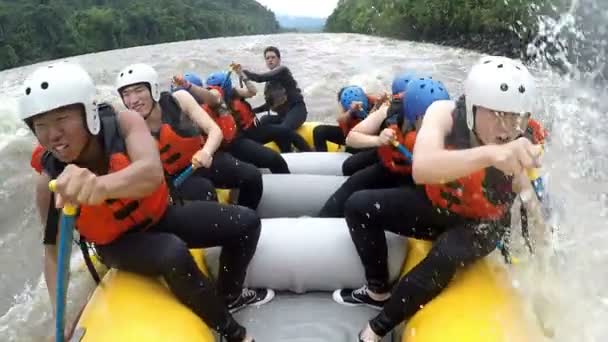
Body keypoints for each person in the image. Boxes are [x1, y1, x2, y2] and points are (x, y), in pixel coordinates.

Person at [21, 62, 273, 342]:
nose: (52, 135)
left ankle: (230, 295)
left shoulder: (125, 123)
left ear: (89, 111)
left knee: (246, 223)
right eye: (40, 125)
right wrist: (61, 318)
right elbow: (54, 252)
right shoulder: (50, 181)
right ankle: (233, 332)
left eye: (61, 119)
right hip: (116, 244)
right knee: (172, 251)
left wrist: (99, 185)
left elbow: (151, 174)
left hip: (160, 214)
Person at [331, 56, 546, 342]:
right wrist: (491, 154)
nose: (507, 127)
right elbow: (421, 169)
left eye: (515, 115)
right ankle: (377, 289)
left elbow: (531, 206)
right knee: (358, 206)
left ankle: (376, 329)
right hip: (438, 206)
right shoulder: (443, 113)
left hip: (482, 225)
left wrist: (541, 246)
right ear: (472, 108)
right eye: (496, 113)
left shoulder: (525, 140)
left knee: (446, 253)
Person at [116, 63, 263, 209]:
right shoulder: (126, 127)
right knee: (203, 190)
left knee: (252, 176)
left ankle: (246, 212)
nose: (133, 100)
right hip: (176, 180)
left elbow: (214, 131)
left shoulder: (179, 99)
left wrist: (206, 152)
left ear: (153, 89)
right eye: (126, 94)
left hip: (203, 159)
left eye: (139, 90)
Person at [318, 77, 450, 217]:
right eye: (429, 116)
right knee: (352, 183)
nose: (437, 121)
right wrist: (379, 140)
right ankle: (322, 219)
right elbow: (351, 138)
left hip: (420, 183)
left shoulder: (453, 123)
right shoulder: (392, 110)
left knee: (360, 201)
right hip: (393, 167)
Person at [172, 68, 290, 173]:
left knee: (274, 158)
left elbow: (213, 96)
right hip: (214, 152)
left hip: (232, 143)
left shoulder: (212, 98)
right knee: (254, 170)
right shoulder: (172, 113)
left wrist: (188, 86)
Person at [339, 72, 418, 176]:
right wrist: (351, 111)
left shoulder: (381, 104)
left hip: (399, 158)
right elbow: (347, 127)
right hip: (384, 149)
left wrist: (378, 104)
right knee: (349, 164)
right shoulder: (386, 108)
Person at [242, 46, 312, 152]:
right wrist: (251, 111)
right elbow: (268, 105)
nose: (270, 60)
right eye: (267, 58)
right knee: (264, 120)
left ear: (279, 59)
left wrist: (242, 72)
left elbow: (260, 78)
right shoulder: (269, 84)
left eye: (273, 57)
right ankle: (281, 150)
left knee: (283, 129)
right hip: (283, 116)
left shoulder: (283, 70)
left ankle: (307, 151)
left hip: (297, 110)